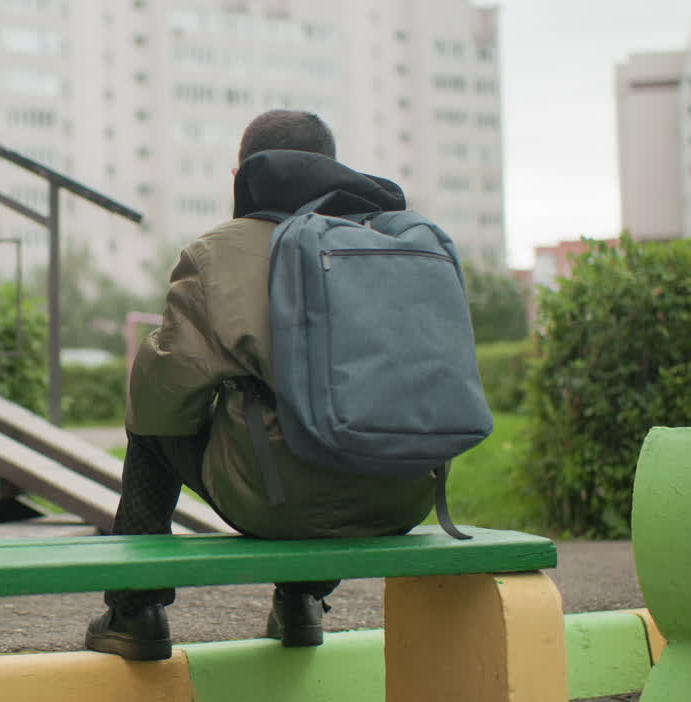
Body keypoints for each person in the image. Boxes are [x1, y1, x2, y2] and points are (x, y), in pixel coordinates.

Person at [84, 110, 438, 661]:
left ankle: (136, 611)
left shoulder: (218, 251)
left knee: (150, 416)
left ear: (240, 177)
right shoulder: (386, 241)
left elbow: (167, 393)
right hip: (405, 493)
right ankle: (303, 600)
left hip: (278, 501)